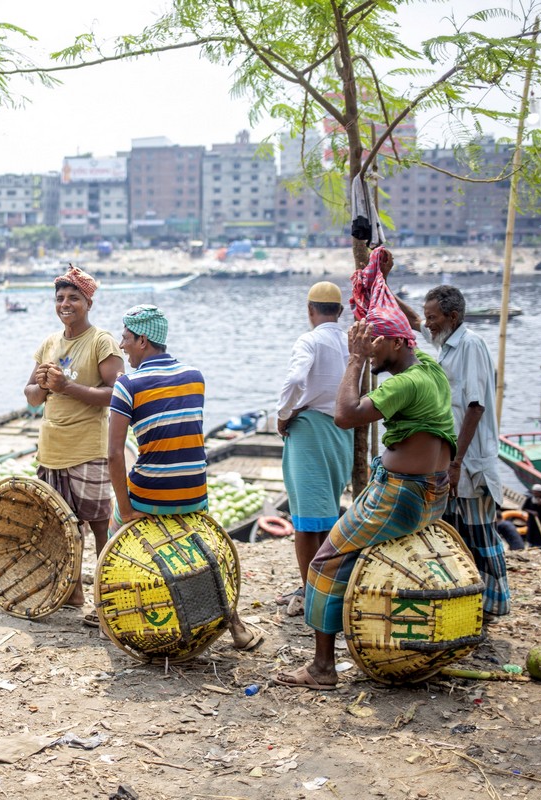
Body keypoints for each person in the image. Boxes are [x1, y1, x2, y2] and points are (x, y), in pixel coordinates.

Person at [276, 247, 455, 691]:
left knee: (324, 563)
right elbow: (410, 326)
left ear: (395, 345)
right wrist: (381, 284)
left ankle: (321, 668)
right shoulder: (429, 366)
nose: (370, 353)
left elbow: (345, 415)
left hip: (400, 493)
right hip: (435, 491)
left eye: (376, 345)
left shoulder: (405, 382)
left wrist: (355, 360)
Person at [107, 305, 262, 651]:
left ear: (143, 340)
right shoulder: (195, 375)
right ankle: (234, 623)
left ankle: (113, 614)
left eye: (126, 338)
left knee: (112, 530)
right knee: (201, 550)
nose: (122, 345)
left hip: (151, 494)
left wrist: (127, 509)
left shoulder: (127, 385)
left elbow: (115, 454)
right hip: (194, 493)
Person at [25, 265, 123, 622]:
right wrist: (42, 384)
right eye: (61, 298)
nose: (66, 304)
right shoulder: (49, 343)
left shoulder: (101, 342)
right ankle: (73, 591)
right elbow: (32, 398)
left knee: (98, 524)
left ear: (88, 302)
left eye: (74, 298)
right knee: (61, 525)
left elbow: (117, 394)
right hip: (51, 448)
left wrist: (67, 387)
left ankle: (106, 598)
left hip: (88, 449)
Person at [422, 285, 510, 621]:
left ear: (452, 316)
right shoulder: (445, 345)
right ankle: (468, 601)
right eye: (428, 317)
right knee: (456, 535)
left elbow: (475, 406)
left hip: (471, 463)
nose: (428, 324)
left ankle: (492, 606)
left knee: (480, 535)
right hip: (454, 461)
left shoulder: (470, 345)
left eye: (433, 318)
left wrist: (457, 461)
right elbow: (417, 321)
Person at [275, 281, 352, 618]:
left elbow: (294, 381)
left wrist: (283, 414)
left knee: (306, 520)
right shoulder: (351, 343)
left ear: (310, 310)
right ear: (341, 310)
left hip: (308, 431)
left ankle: (312, 591)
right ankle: (318, 585)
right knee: (325, 514)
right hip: (340, 433)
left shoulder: (310, 340)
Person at [521, 484, 541, 550]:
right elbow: (524, 508)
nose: (535, 494)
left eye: (537, 493)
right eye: (534, 492)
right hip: (532, 520)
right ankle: (531, 545)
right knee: (531, 532)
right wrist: (532, 512)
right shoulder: (530, 499)